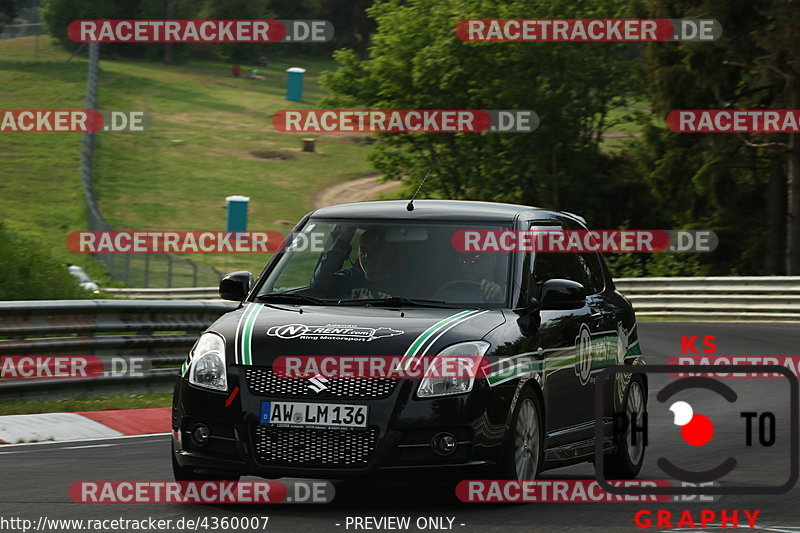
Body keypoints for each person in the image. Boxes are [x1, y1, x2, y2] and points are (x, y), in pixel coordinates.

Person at [311, 227, 406, 300]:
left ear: (389, 253)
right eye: (363, 250)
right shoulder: (348, 279)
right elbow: (319, 285)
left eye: (375, 249)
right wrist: (343, 240)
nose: (367, 256)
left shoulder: (403, 285)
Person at [435, 253, 504, 303]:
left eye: (475, 260)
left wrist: (498, 299)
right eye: (464, 261)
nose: (468, 265)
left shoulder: (509, 293)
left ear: (492, 262)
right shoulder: (450, 292)